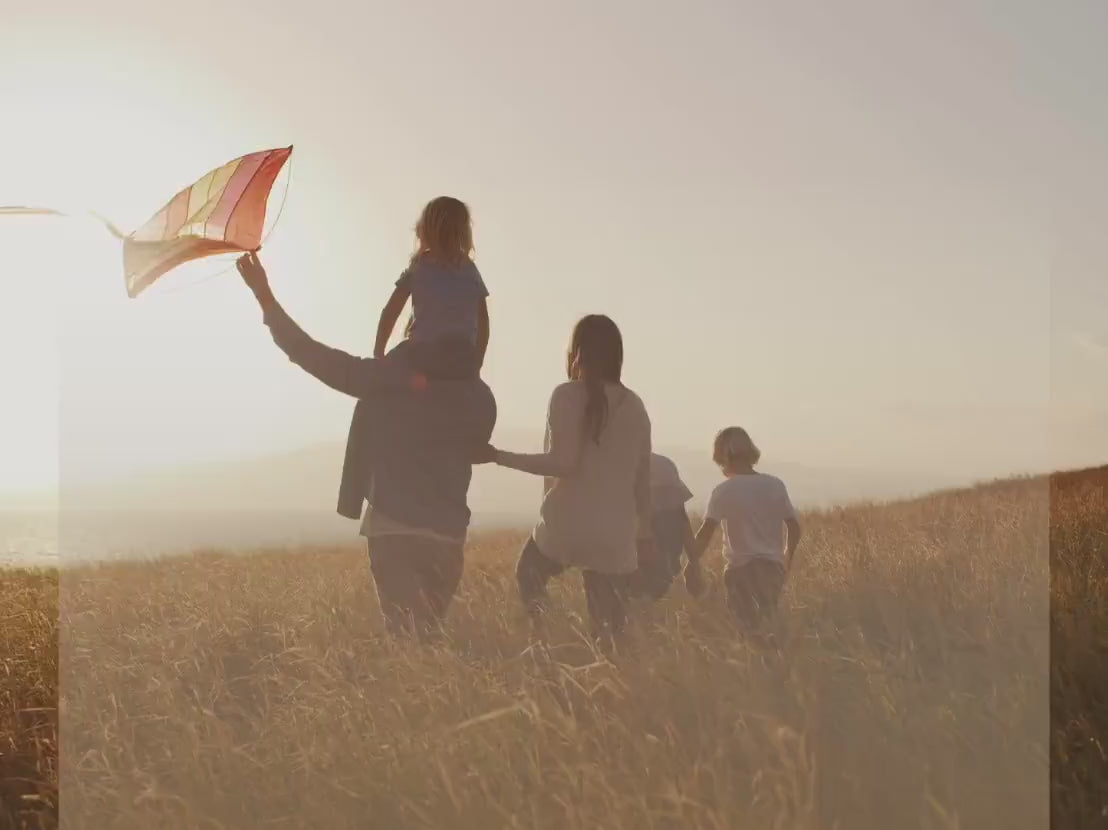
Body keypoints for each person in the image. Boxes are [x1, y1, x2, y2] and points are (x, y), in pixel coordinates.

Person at [235, 252, 497, 642]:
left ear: (413, 329)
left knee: (406, 649)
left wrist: (264, 296)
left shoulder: (391, 376)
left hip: (396, 531)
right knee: (427, 645)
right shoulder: (479, 396)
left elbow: (313, 356)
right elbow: (477, 449)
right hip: (448, 536)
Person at [473, 314, 653, 643]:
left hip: (567, 524)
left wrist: (498, 456)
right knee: (609, 633)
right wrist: (646, 535)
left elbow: (563, 463)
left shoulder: (567, 395)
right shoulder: (636, 406)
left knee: (529, 576)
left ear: (576, 352)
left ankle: (546, 643)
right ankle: (606, 683)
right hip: (616, 533)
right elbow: (642, 479)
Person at [684, 427, 802, 630]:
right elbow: (794, 526)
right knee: (768, 622)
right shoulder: (775, 485)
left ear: (723, 455)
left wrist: (691, 563)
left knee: (746, 628)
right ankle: (773, 658)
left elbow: (706, 533)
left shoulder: (723, 491)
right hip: (772, 568)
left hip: (741, 570)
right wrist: (787, 557)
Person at [373, 196, 490, 369]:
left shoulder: (420, 266)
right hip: (462, 357)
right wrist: (476, 363)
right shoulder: (470, 270)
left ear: (426, 229)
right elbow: (483, 322)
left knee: (382, 381)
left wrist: (379, 352)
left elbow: (391, 312)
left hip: (423, 352)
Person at [627, 453, 696, 600]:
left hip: (633, 563)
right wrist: (694, 562)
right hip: (664, 561)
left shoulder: (613, 464)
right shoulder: (663, 464)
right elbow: (682, 518)